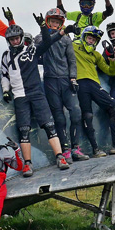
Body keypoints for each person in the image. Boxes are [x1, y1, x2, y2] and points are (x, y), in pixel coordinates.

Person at [1, 20, 70, 176]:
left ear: (21, 37)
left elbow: (47, 42)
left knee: (49, 126)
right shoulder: (5, 56)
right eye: (12, 39)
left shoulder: (31, 50)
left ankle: (60, 157)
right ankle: (27, 164)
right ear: (9, 41)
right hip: (19, 95)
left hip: (36, 93)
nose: (15, 41)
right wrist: (6, 90)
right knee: (24, 130)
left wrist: (43, 27)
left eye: (17, 38)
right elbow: (4, 74)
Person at [34, 8, 89, 163]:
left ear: (61, 23)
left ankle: (76, 148)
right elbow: (43, 45)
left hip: (66, 80)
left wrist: (73, 78)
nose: (55, 24)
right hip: (50, 80)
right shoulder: (39, 38)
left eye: (58, 22)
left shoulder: (66, 39)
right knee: (59, 117)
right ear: (47, 21)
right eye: (52, 21)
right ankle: (65, 150)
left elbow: (72, 60)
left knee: (76, 113)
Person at [73, 25, 115, 156]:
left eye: (94, 40)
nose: (91, 41)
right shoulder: (74, 47)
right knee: (87, 116)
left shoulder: (96, 55)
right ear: (84, 38)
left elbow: (111, 72)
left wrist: (112, 59)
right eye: (89, 38)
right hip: (80, 84)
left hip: (94, 84)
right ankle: (95, 149)